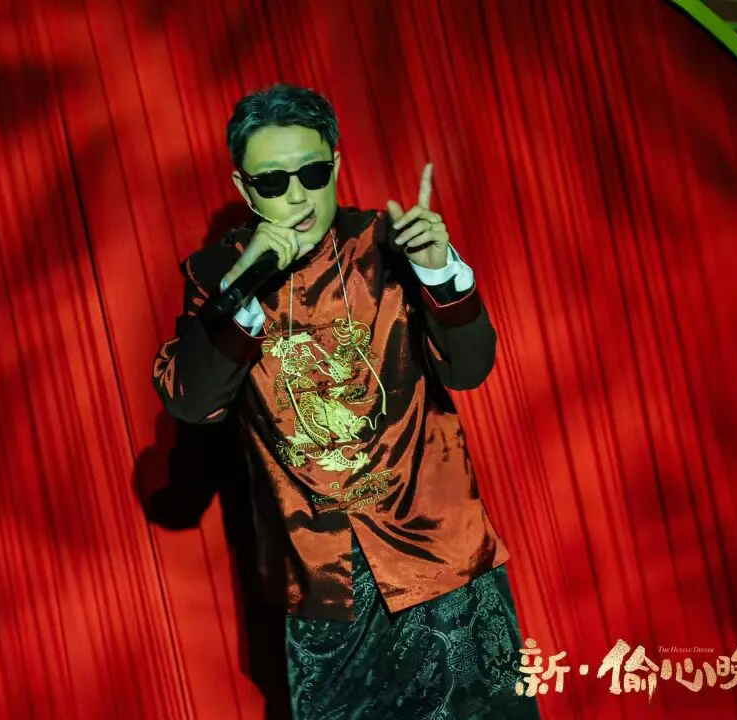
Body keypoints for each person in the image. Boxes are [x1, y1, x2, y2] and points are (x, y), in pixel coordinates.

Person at [152, 83, 540, 720]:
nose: (297, 196)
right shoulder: (216, 275)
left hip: (443, 566)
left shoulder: (391, 245)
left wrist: (438, 269)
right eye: (273, 182)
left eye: (312, 172)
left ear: (334, 164)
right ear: (244, 188)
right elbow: (191, 403)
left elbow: (470, 368)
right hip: (324, 594)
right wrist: (244, 282)